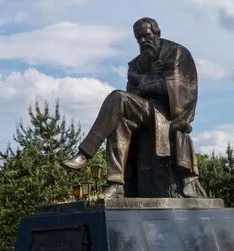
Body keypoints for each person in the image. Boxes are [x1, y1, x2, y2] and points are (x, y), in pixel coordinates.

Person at [62, 17, 198, 197]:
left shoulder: (176, 53)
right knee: (118, 119)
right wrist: (152, 79)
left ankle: (84, 155)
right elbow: (132, 94)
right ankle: (116, 184)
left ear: (157, 33)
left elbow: (175, 89)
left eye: (146, 35)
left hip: (168, 113)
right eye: (138, 38)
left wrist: (144, 81)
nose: (143, 41)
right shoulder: (136, 63)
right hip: (144, 110)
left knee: (118, 98)